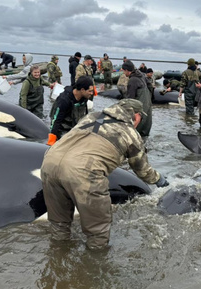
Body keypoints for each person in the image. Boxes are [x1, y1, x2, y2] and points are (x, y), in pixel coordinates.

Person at [41, 98, 169, 250]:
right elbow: (142, 170)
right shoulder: (131, 134)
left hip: (49, 161)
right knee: (98, 232)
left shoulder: (92, 116)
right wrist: (160, 180)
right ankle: (93, 267)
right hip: (83, 172)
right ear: (136, 116)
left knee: (59, 224)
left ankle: (58, 259)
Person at [47, 76, 94, 145]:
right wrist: (51, 140)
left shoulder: (84, 98)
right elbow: (56, 120)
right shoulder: (64, 100)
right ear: (82, 90)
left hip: (75, 126)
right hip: (62, 128)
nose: (91, 93)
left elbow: (85, 115)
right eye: (89, 91)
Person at [122, 60, 152, 137]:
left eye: (123, 71)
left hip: (139, 105)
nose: (123, 73)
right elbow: (150, 86)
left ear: (127, 70)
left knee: (137, 127)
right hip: (148, 104)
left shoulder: (132, 80)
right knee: (146, 126)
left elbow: (130, 99)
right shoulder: (142, 75)